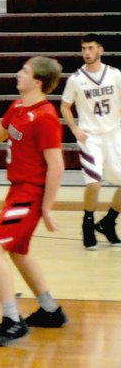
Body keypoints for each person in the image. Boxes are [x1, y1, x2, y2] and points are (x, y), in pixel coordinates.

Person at [0, 57, 68, 347]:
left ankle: (12, 321)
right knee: (18, 251)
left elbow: (56, 165)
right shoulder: (19, 107)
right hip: (17, 190)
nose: (18, 74)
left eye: (25, 71)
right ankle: (50, 310)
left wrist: (46, 206)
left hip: (30, 193)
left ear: (38, 82)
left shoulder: (45, 117)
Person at [60, 34, 121, 249]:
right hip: (90, 136)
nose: (86, 52)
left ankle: (108, 222)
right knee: (94, 183)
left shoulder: (115, 75)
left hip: (114, 134)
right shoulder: (76, 79)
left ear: (100, 50)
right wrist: (75, 128)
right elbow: (65, 106)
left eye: (91, 48)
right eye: (84, 48)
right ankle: (88, 223)